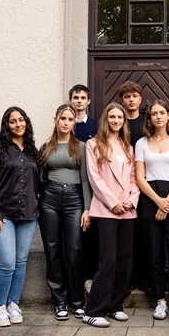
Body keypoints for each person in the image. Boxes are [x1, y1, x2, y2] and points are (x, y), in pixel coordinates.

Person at [84, 103, 140, 328]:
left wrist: (131, 200)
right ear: (106, 119)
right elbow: (94, 178)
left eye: (120, 117)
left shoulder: (128, 147)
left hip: (128, 210)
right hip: (107, 209)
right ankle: (93, 309)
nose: (116, 120)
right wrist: (114, 202)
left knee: (125, 261)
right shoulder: (93, 144)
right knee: (108, 260)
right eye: (112, 117)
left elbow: (136, 178)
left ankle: (115, 305)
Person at [135, 100, 169, 327]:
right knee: (154, 253)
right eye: (154, 113)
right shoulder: (141, 143)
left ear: (168, 116)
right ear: (149, 118)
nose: (158, 116)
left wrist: (167, 202)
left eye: (162, 113)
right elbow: (139, 177)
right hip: (149, 198)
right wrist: (157, 201)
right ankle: (160, 301)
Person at [0, 107, 39, 327]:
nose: (18, 124)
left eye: (21, 120)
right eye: (13, 121)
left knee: (21, 261)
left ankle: (13, 304)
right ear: (7, 125)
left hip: (28, 215)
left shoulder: (33, 152)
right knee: (7, 263)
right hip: (2, 215)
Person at [38, 104, 92, 321]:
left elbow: (86, 179)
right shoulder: (45, 147)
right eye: (63, 118)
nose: (66, 122)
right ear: (56, 120)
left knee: (74, 250)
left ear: (74, 122)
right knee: (52, 250)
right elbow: (40, 178)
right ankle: (59, 302)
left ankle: (77, 301)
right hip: (49, 200)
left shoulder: (81, 146)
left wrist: (87, 208)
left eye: (70, 119)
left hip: (74, 200)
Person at [118, 80, 150, 294]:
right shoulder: (119, 123)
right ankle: (127, 279)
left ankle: (145, 280)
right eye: (127, 96)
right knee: (126, 237)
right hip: (123, 185)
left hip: (146, 185)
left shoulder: (147, 123)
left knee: (146, 234)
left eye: (134, 96)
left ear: (140, 99)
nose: (131, 99)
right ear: (122, 100)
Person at [67, 84, 99, 294]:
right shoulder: (65, 125)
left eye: (82, 98)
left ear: (88, 101)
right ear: (71, 100)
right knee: (72, 240)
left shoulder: (96, 127)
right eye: (75, 97)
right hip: (71, 190)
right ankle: (74, 284)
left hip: (94, 190)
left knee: (91, 238)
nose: (79, 101)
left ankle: (90, 279)